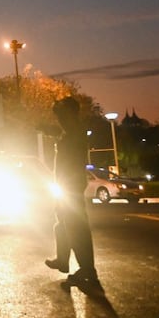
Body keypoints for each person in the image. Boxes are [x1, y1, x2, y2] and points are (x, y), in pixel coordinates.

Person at [44, 96, 103, 294]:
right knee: (62, 224)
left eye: (61, 115)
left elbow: (70, 162)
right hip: (66, 187)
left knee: (77, 230)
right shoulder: (70, 133)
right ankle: (64, 261)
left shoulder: (73, 135)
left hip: (70, 188)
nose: (59, 119)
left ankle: (88, 272)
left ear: (70, 114)